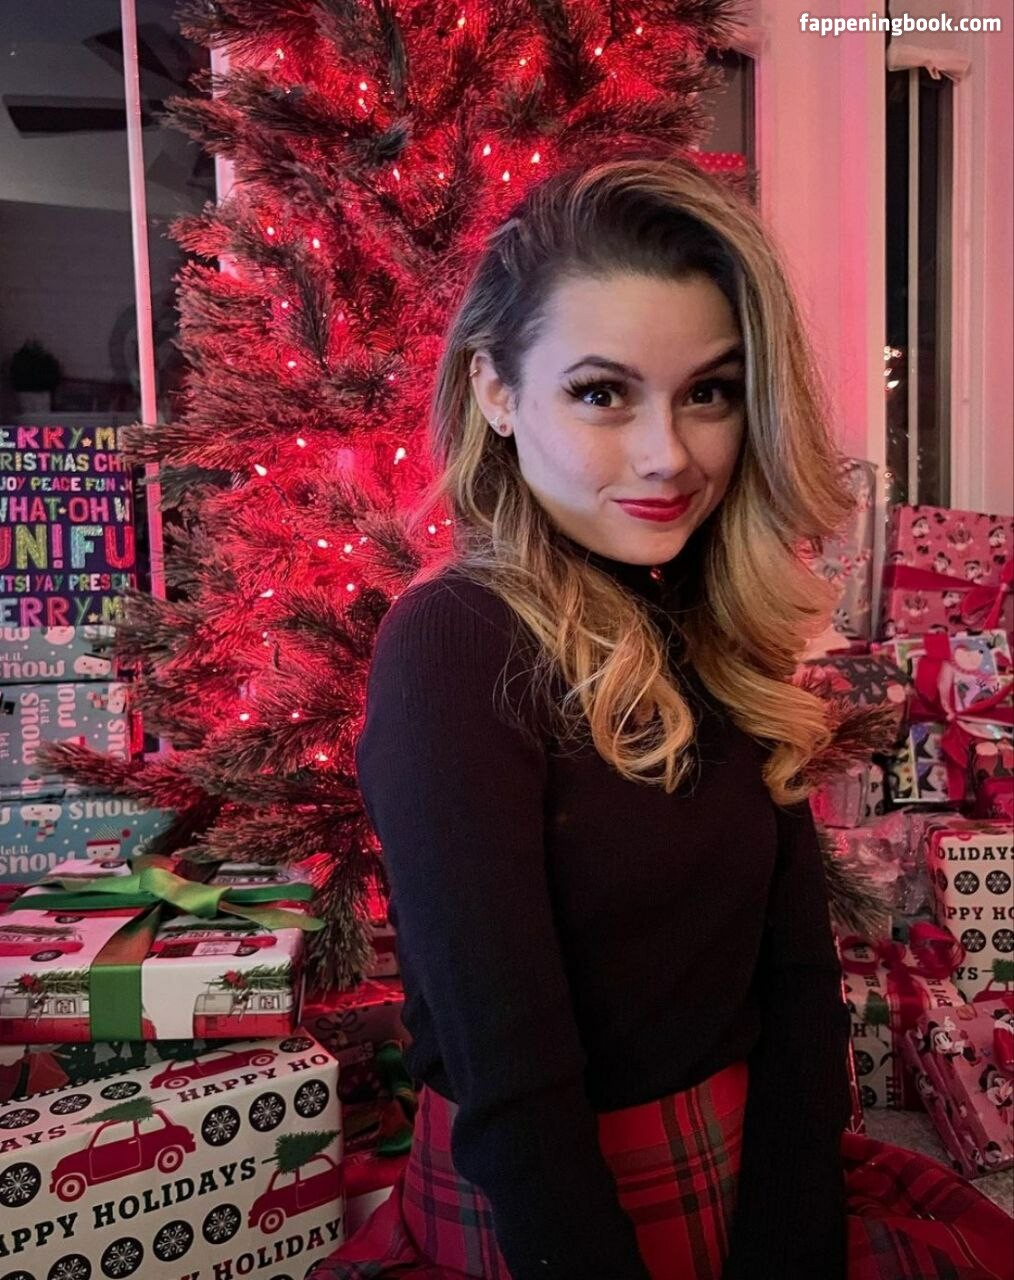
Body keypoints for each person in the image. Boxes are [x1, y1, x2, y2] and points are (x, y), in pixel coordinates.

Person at [311, 158, 1012, 1280]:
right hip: (553, 1228)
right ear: (496, 391)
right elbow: (510, 1072)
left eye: (709, 392)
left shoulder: (707, 614)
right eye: (602, 393)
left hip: (749, 1194)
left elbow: (796, 985)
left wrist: (790, 1242)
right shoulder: (453, 644)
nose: (668, 455)